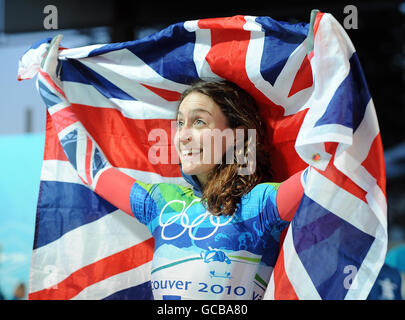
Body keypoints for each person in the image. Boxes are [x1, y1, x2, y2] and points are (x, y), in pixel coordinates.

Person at [39, 37, 306, 300]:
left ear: (235, 136)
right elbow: (95, 171)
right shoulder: (161, 203)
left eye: (200, 122)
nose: (183, 135)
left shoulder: (259, 205)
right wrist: (51, 94)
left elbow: (322, 175)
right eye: (180, 123)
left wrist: (333, 82)